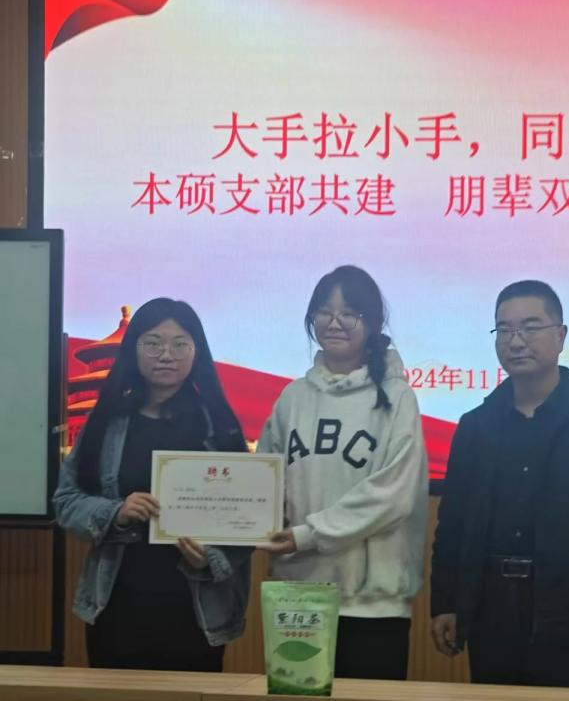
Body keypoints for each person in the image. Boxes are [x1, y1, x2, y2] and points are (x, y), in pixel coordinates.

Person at [430, 280, 569, 688]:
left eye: (530, 327)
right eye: (505, 330)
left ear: (561, 335)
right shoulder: (476, 427)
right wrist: (445, 603)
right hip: (490, 608)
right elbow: (453, 525)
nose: (516, 341)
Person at [53, 298, 252, 671]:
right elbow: (66, 501)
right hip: (116, 604)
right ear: (134, 349)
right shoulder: (105, 422)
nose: (166, 355)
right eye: (153, 343)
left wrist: (211, 556)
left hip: (197, 611)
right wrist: (115, 512)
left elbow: (248, 517)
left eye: (180, 344)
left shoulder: (219, 428)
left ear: (196, 352)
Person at [257, 265, 428, 681]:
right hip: (299, 597)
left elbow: (393, 495)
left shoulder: (397, 398)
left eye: (349, 313)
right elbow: (264, 481)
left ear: (372, 324)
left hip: (374, 605)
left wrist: (307, 534)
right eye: (324, 311)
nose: (334, 323)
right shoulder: (292, 398)